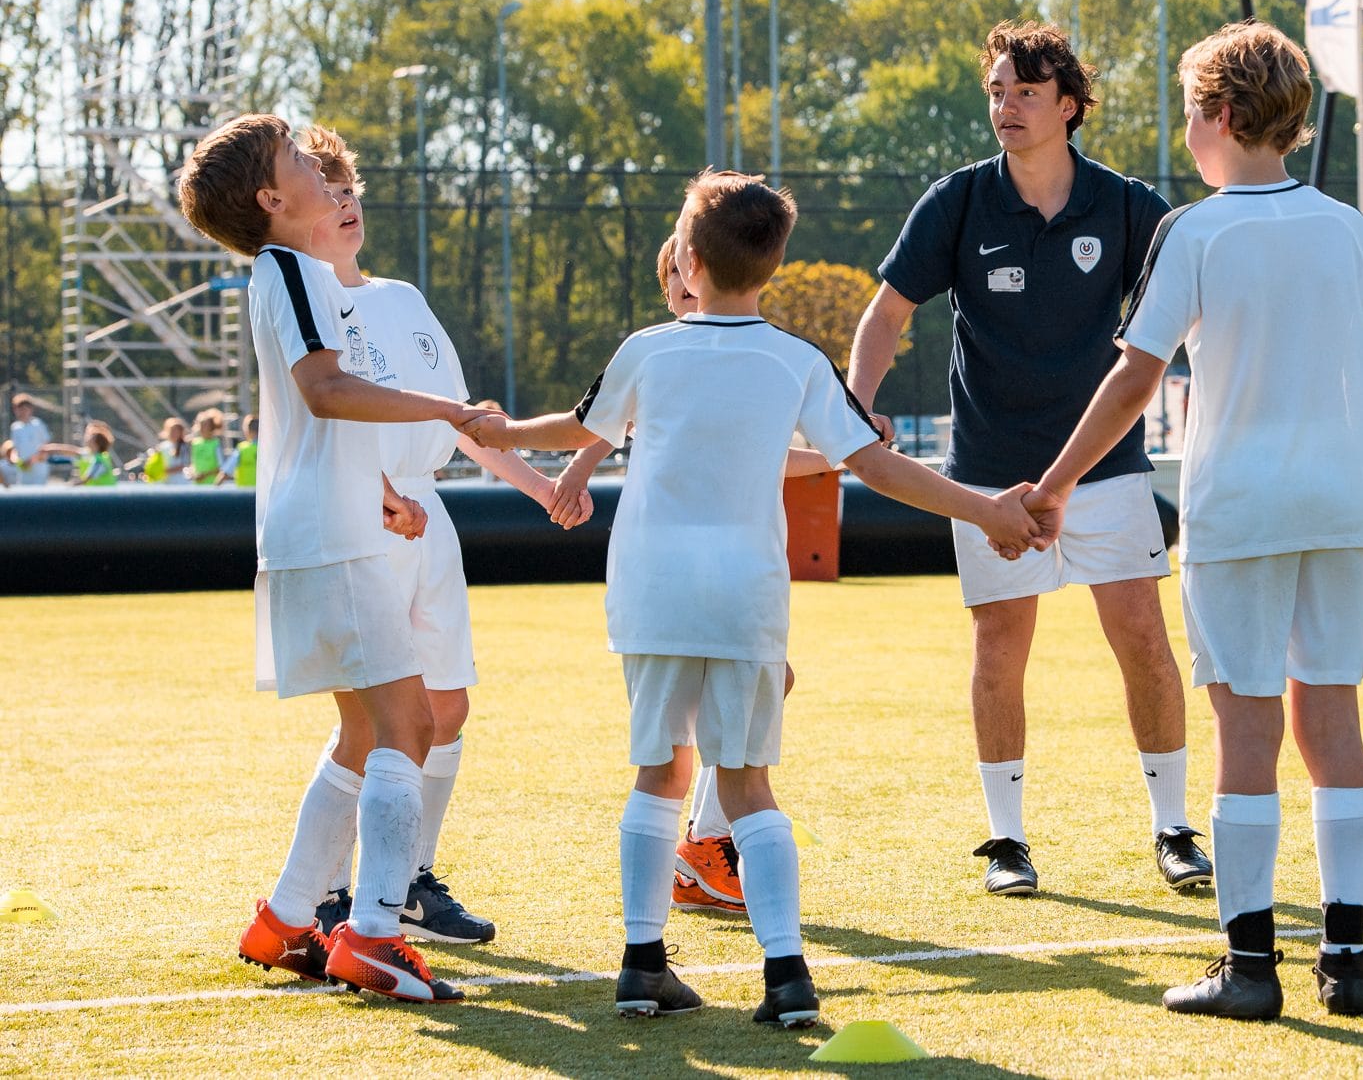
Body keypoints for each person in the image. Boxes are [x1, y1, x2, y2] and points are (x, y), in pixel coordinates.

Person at [463, 170, 1045, 1027]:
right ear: (772, 265)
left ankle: (639, 962)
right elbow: (877, 465)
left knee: (659, 772)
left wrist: (500, 429)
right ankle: (785, 977)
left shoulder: (646, 349)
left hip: (652, 591)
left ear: (687, 262)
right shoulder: (797, 360)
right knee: (746, 783)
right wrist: (986, 505)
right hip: (745, 596)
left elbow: (575, 429)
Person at [1023, 21, 1363, 1021]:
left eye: (1189, 112)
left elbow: (1136, 375)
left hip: (1241, 509)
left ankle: (1248, 968)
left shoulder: (1196, 230)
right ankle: (1350, 957)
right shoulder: (1350, 228)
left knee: (1248, 729)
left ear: (1219, 114)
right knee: (1335, 721)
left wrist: (1050, 487)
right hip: (1346, 509)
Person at [847, 20, 1209, 898]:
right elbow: (886, 313)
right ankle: (1006, 840)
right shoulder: (958, 201)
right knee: (999, 648)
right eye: (997, 91)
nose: (1005, 107)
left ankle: (1172, 827)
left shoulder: (1126, 205)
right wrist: (857, 404)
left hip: (1108, 468)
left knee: (1142, 642)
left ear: (1070, 106)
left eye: (1025, 93)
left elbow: (1197, 308)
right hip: (987, 477)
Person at [178, 112, 486, 1005]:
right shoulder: (293, 268)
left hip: (336, 524)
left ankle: (283, 919)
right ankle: (378, 935)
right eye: (293, 160)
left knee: (366, 731)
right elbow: (325, 389)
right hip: (329, 537)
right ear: (275, 200)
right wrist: (447, 410)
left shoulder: (298, 271)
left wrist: (381, 488)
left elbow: (318, 412)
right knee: (410, 724)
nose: (315, 166)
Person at [296, 122, 590, 947]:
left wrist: (540, 486)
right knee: (377, 717)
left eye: (350, 187)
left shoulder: (405, 300)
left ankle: (411, 877)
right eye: (328, 191)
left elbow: (466, 422)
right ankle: (326, 891)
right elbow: (325, 417)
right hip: (363, 519)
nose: (346, 202)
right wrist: (382, 494)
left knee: (446, 707)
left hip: (429, 521)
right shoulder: (308, 307)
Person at [551, 232, 818, 919]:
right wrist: (572, 473)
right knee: (691, 749)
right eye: (669, 275)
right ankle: (702, 850)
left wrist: (837, 454)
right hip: (682, 572)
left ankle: (699, 852)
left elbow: (765, 455)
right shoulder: (658, 354)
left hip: (708, 572)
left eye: (684, 270)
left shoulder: (728, 355)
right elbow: (597, 429)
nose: (681, 285)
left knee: (745, 704)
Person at [44, 420, 119, 486]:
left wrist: (68, 486)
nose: (86, 437)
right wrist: (50, 448)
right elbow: (73, 451)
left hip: (105, 499)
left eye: (90, 436)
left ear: (95, 443)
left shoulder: (99, 460)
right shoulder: (91, 455)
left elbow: (87, 478)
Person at [9, 393, 51, 486]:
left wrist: (32, 460)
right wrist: (15, 459)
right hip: (23, 472)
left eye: (24, 408)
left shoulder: (38, 424)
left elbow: (46, 447)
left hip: (39, 470)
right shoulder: (15, 427)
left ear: (31, 409)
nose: (21, 412)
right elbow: (15, 449)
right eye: (18, 408)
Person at [215, 414, 258, 487]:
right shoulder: (267, 448)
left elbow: (225, 472)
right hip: (264, 495)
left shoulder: (242, 449)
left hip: (244, 494)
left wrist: (215, 487)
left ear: (247, 430)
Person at [187, 408, 227, 484]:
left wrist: (205, 475)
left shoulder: (216, 443)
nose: (202, 428)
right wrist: (193, 473)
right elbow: (193, 463)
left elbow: (221, 468)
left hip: (212, 485)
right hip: (197, 486)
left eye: (206, 426)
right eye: (201, 425)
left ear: (212, 427)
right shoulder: (195, 443)